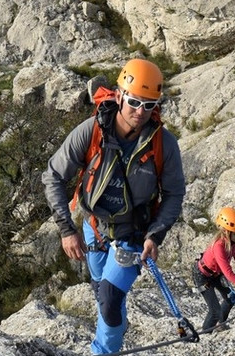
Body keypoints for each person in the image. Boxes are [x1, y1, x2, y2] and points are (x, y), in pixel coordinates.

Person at [42, 58, 186, 355]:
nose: (140, 112)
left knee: (108, 297)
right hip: (93, 226)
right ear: (119, 95)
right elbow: (53, 175)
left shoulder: (163, 144)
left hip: (132, 233)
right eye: (134, 101)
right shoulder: (92, 131)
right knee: (102, 292)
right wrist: (66, 229)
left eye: (149, 105)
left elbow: (174, 194)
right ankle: (116, 325)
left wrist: (155, 235)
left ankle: (103, 350)